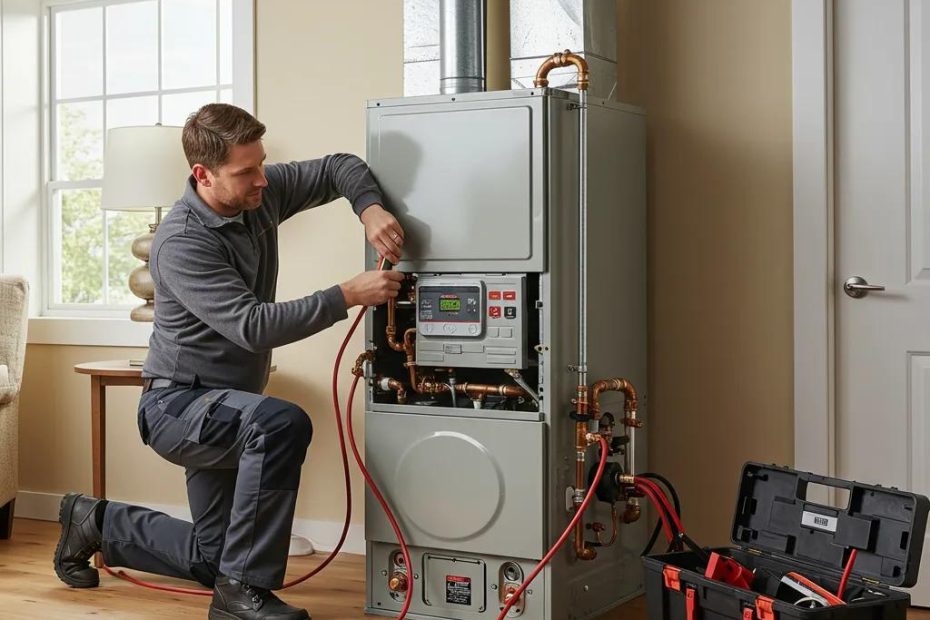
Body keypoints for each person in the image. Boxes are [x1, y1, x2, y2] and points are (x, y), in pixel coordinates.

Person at [53, 103, 406, 620]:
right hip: (177, 407)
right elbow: (253, 325)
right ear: (203, 175)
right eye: (247, 171)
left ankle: (94, 522)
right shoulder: (180, 242)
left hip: (229, 408)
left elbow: (339, 167)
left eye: (261, 163)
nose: (263, 179)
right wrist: (347, 294)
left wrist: (369, 208)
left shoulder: (258, 194)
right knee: (282, 425)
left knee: (214, 557)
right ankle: (241, 596)